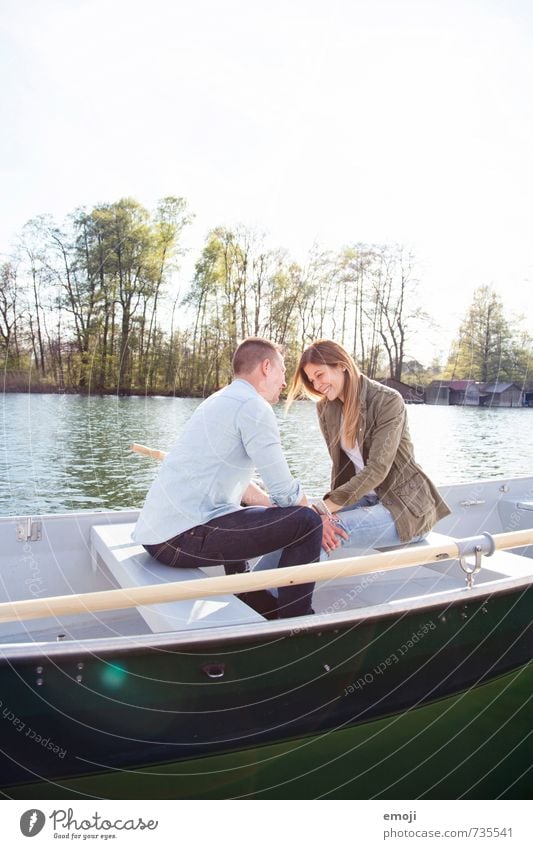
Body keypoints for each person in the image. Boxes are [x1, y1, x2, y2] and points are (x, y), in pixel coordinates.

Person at [132, 337, 345, 619]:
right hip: (180, 540)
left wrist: (276, 510)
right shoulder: (253, 407)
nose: (284, 382)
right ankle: (295, 623)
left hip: (159, 537)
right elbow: (285, 491)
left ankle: (248, 597)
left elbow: (247, 489)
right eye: (282, 371)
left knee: (242, 508)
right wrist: (316, 518)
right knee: (305, 523)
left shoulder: (218, 401)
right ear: (266, 367)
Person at [286, 339, 451, 554]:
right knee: (297, 528)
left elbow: (377, 470)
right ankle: (255, 586)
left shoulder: (388, 401)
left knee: (323, 534)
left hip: (404, 507)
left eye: (319, 375)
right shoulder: (326, 407)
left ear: (341, 365)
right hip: (365, 498)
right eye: (311, 380)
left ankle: (293, 588)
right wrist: (324, 513)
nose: (317, 386)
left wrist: (323, 508)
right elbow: (341, 468)